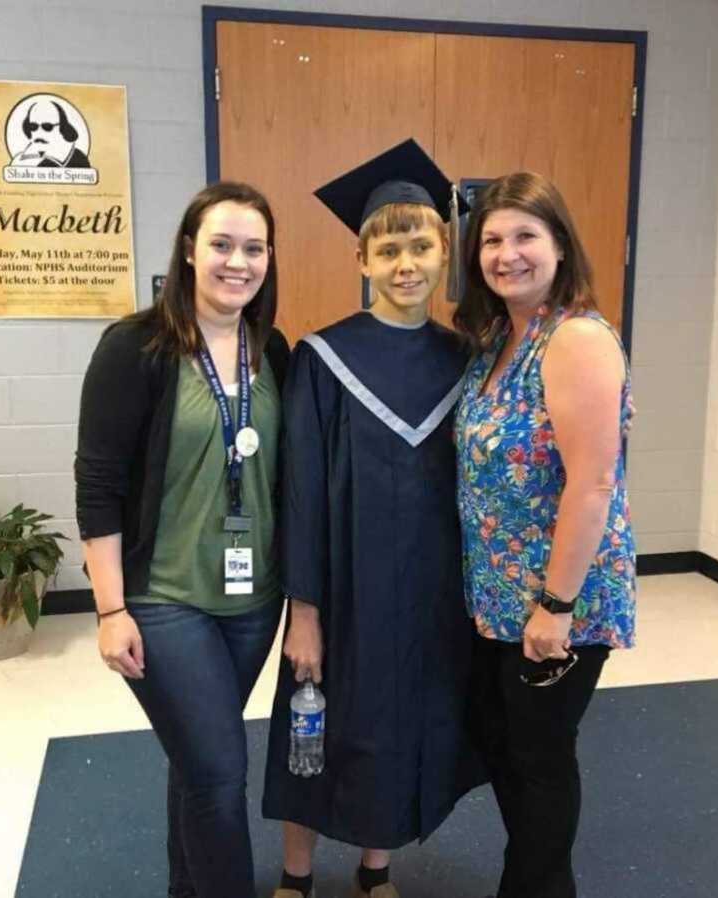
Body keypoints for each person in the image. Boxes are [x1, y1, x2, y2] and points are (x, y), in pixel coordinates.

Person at [262, 139, 484, 898]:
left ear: (443, 249)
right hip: (342, 591)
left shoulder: (464, 360)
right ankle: (297, 877)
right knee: (315, 728)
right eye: (388, 249)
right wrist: (305, 612)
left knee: (398, 728)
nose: (406, 264)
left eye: (420, 245)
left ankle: (374, 867)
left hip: (428, 599)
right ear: (361, 258)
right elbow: (301, 494)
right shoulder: (324, 358)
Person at [75, 181, 289, 898]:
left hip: (253, 601)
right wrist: (109, 612)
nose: (238, 261)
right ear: (190, 251)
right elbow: (98, 484)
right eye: (222, 244)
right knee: (222, 773)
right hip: (165, 599)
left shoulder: (273, 348)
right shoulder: (136, 346)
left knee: (199, 761)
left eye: (254, 247)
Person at [453, 172, 637, 898]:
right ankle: (535, 877)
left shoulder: (577, 339)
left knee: (540, 755)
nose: (507, 254)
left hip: (562, 599)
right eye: (492, 239)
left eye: (526, 236)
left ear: (560, 244)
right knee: (505, 745)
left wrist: (555, 606)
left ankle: (535, 887)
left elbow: (593, 485)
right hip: (500, 594)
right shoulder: (499, 337)